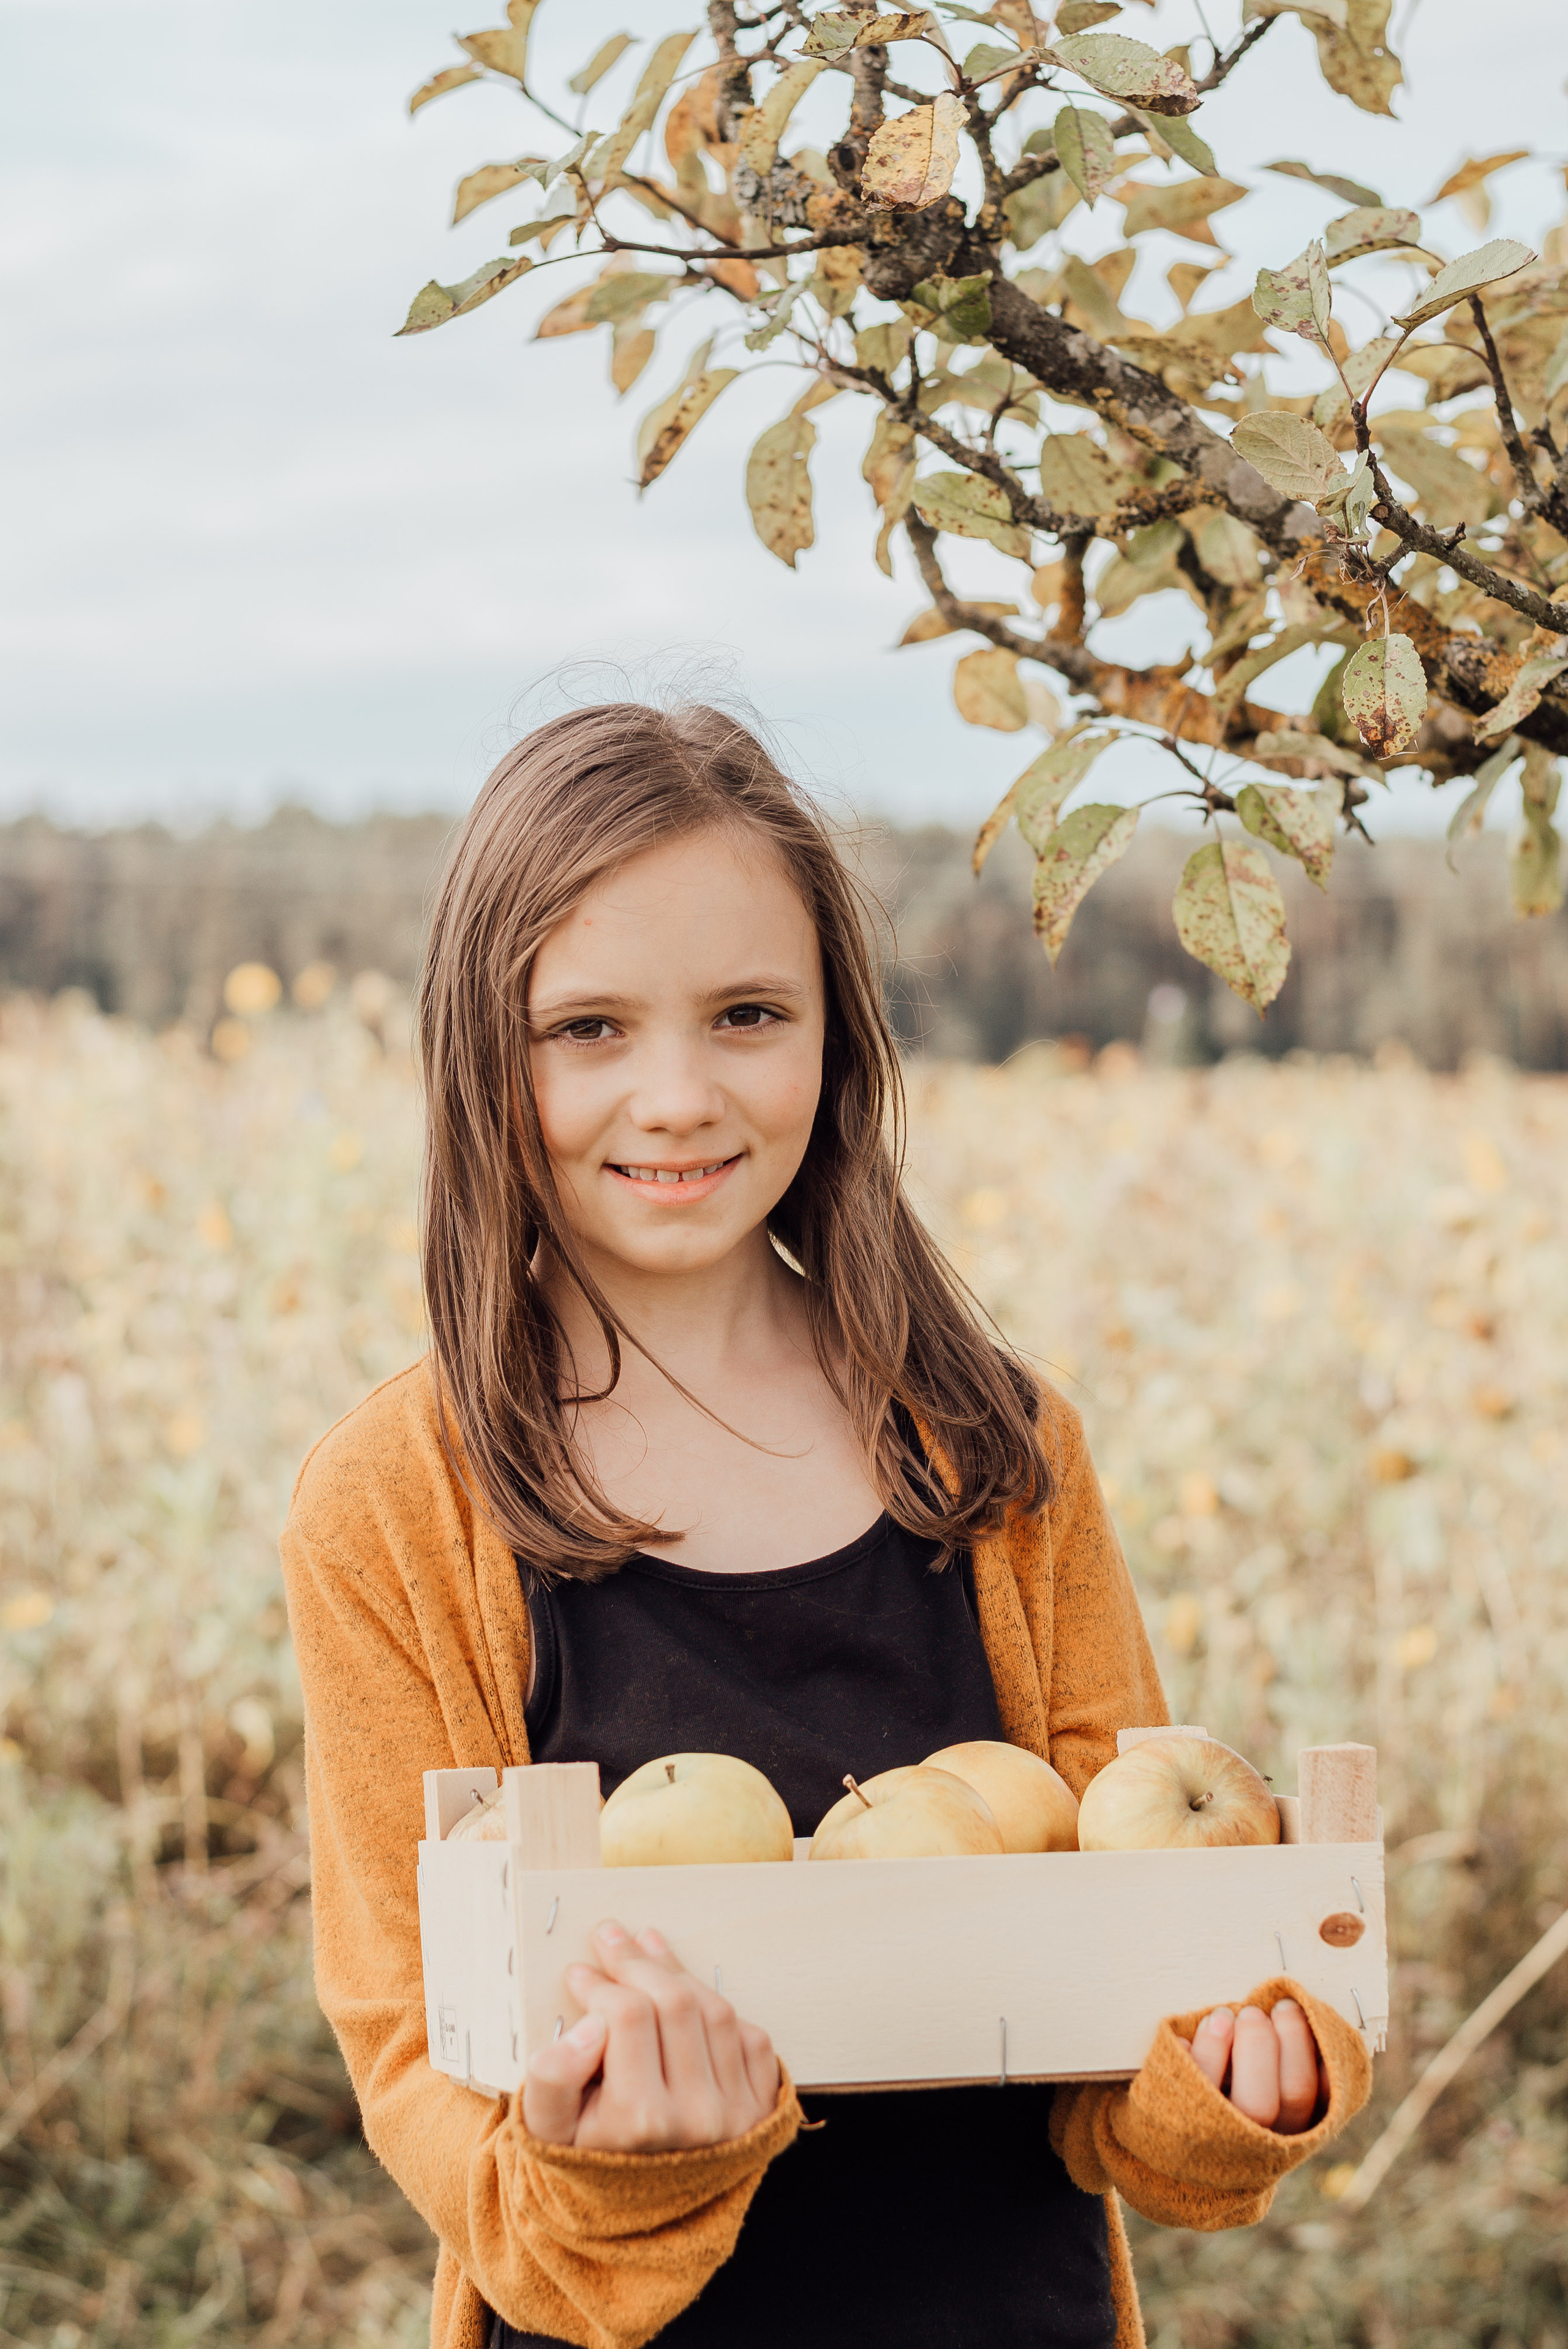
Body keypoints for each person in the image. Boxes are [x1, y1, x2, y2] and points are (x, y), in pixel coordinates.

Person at [281, 701, 1371, 2349]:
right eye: (588, 1027)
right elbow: (418, 2065)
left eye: (745, 1013)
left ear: (835, 1039)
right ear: (480, 1051)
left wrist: (1227, 2080)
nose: (676, 1094)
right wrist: (619, 2167)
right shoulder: (398, 1504)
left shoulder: (1001, 1453)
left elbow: (1118, 2037)